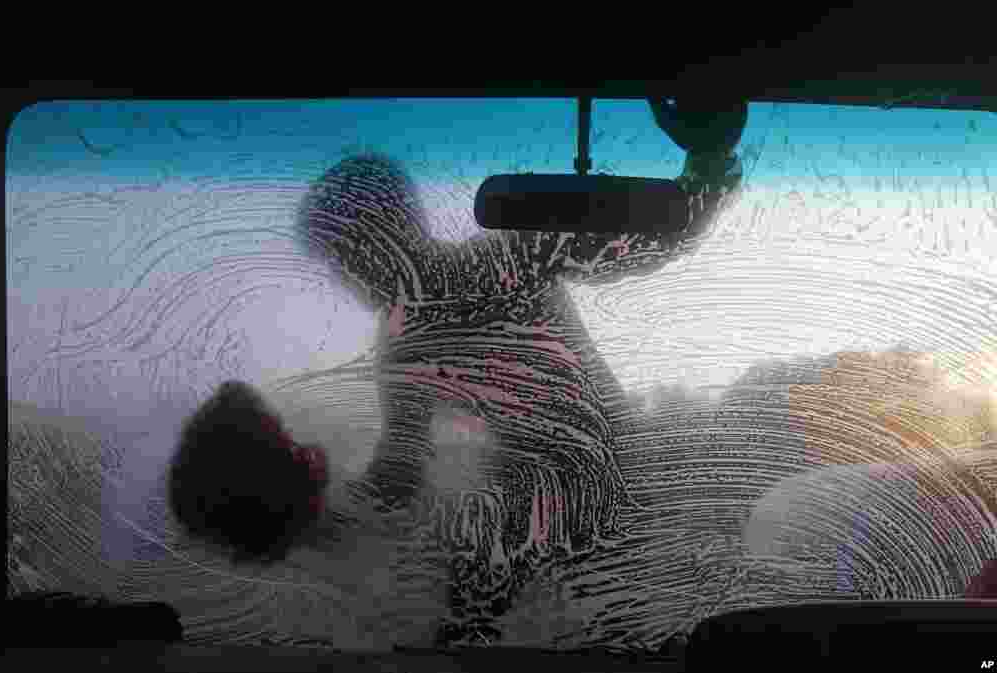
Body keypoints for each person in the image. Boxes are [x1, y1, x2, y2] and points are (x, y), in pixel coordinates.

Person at [166, 99, 746, 645]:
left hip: (620, 490)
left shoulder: (508, 258)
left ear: (390, 232)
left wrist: (710, 159)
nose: (347, 275)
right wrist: (296, 505)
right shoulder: (402, 350)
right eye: (339, 262)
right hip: (535, 537)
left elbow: (651, 239)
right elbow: (401, 474)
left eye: (349, 253)